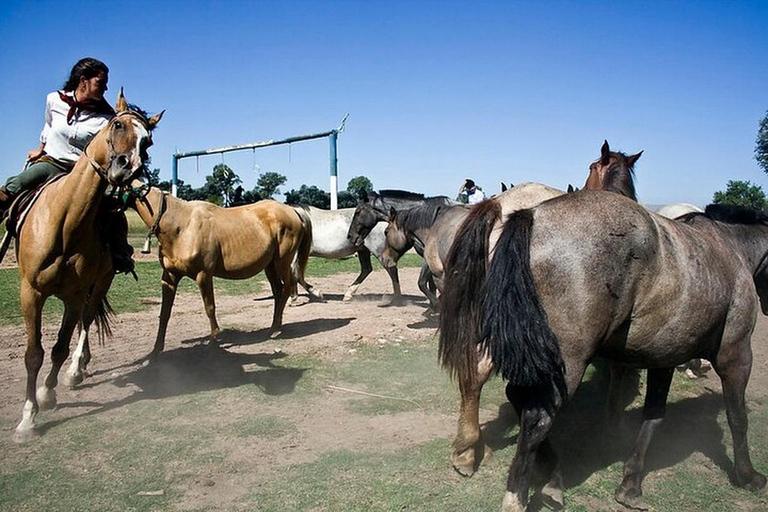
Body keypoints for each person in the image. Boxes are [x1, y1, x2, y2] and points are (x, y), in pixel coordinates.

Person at [0, 57, 135, 275]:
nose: (106, 87)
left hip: (84, 172)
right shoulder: (54, 100)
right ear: (83, 81)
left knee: (114, 207)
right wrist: (40, 148)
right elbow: (49, 123)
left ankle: (120, 252)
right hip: (54, 163)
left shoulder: (107, 118)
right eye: (101, 82)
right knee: (16, 184)